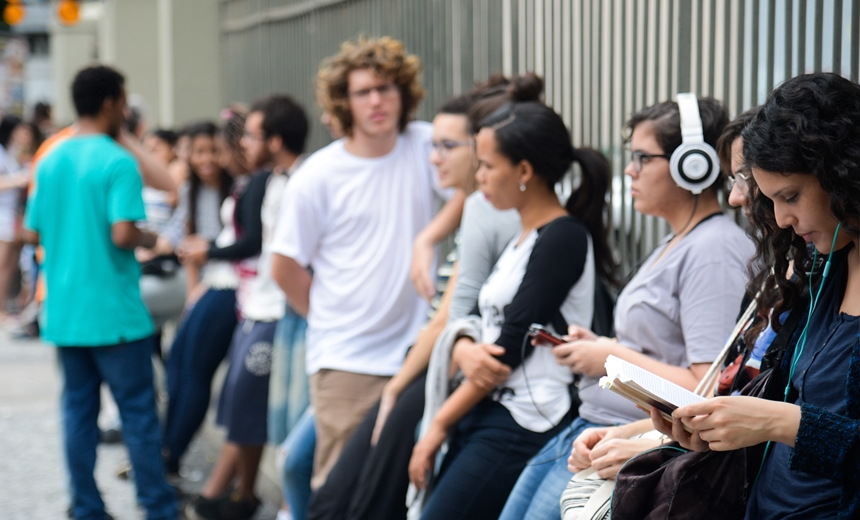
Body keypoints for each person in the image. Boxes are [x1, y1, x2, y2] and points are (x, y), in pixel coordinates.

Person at [497, 95, 752, 520]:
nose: (629, 170)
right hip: (594, 430)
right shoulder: (679, 241)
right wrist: (603, 346)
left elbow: (703, 387)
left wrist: (609, 358)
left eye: (641, 157)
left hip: (631, 446)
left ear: (693, 163)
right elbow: (660, 347)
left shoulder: (714, 251)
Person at [652, 72, 860, 519]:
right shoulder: (828, 267)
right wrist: (719, 428)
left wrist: (778, 422)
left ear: (844, 173)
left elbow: (804, 426)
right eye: (771, 201)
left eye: (791, 196)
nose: (782, 219)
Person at [404, 99, 613, 520]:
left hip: (525, 421)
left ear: (523, 171)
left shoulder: (563, 237)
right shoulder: (524, 236)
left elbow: (507, 349)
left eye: (486, 166)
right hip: (492, 410)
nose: (477, 176)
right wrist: (462, 344)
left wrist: (437, 426)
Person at [270, 36, 460, 491]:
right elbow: (283, 266)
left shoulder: (424, 144)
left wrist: (429, 237)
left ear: (404, 94)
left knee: (400, 484)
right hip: (346, 358)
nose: (377, 100)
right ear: (344, 102)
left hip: (414, 353)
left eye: (387, 88)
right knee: (340, 486)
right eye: (363, 92)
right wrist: (329, 318)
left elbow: (474, 192)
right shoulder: (317, 174)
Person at [23, 65, 177, 520]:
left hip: (66, 313)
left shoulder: (49, 159)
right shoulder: (117, 161)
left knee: (77, 413)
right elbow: (123, 233)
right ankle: (157, 507)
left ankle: (86, 506)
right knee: (138, 416)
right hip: (115, 314)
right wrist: (155, 240)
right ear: (112, 103)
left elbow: (32, 233)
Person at [187, 95, 309, 520]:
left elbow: (271, 247)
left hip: (282, 311)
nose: (241, 146)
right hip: (260, 307)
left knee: (272, 416)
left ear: (273, 140)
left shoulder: (303, 180)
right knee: (244, 406)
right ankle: (239, 496)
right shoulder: (274, 180)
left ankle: (248, 499)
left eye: (251, 135)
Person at [161, 111, 267, 478]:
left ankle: (170, 455)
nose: (216, 159)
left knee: (193, 373)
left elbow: (250, 243)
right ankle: (165, 449)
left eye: (221, 150)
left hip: (231, 287)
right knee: (178, 364)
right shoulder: (241, 183)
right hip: (214, 283)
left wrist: (208, 252)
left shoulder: (256, 183)